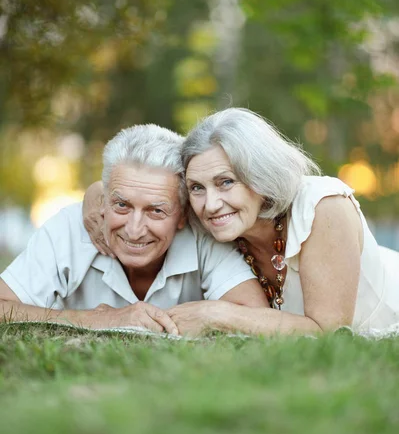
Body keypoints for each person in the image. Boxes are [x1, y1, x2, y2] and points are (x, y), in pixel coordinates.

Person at [0, 123, 268, 335]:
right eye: (122, 205)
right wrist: (98, 319)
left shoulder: (204, 235)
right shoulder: (68, 228)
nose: (135, 229)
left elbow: (256, 315)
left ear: (183, 215)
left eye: (156, 210)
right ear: (102, 201)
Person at [178, 108, 399, 336]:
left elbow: (328, 332)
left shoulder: (324, 206)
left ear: (260, 174)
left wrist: (216, 315)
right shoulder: (222, 231)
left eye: (225, 182)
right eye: (197, 187)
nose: (211, 204)